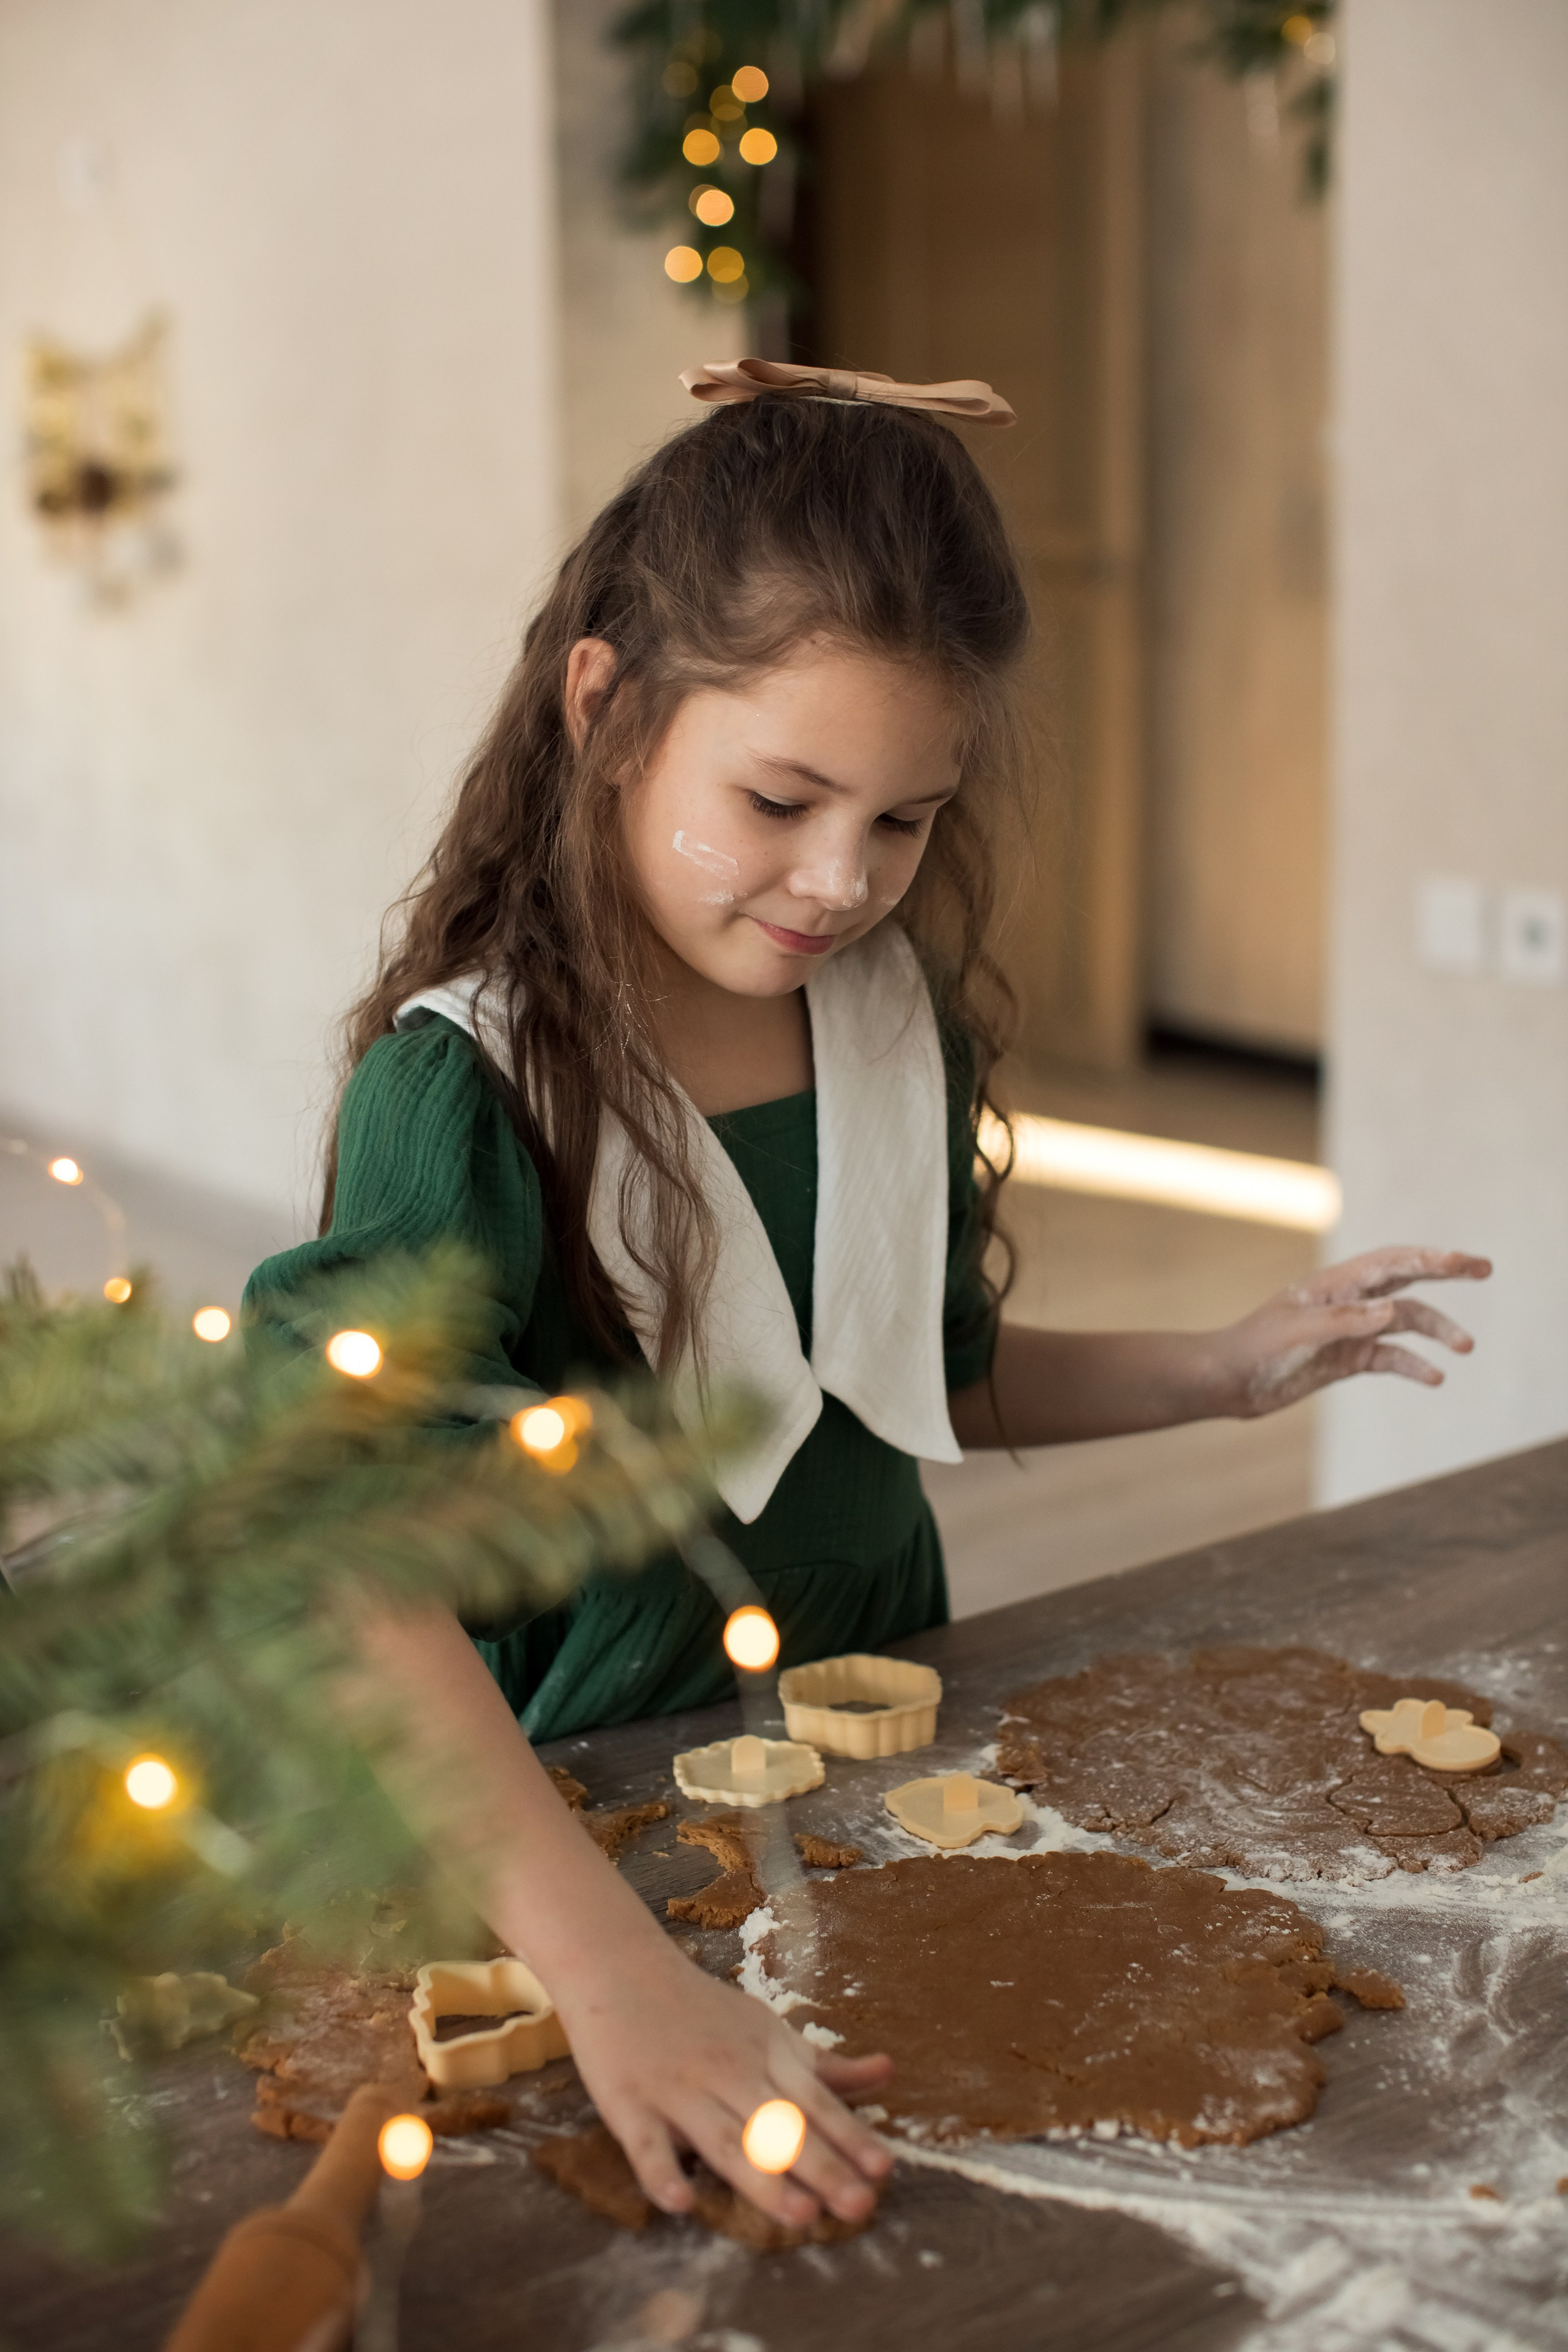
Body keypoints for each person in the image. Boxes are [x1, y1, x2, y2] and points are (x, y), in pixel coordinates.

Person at [246, 363, 1490, 2231]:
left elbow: (915, 1379)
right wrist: (606, 1977)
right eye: (778, 797)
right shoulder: (469, 1089)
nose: (841, 881)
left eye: (903, 821)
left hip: (879, 1744)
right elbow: (351, 1553)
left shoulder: (890, 1029)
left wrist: (1223, 1373)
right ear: (607, 709)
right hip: (574, 1817)